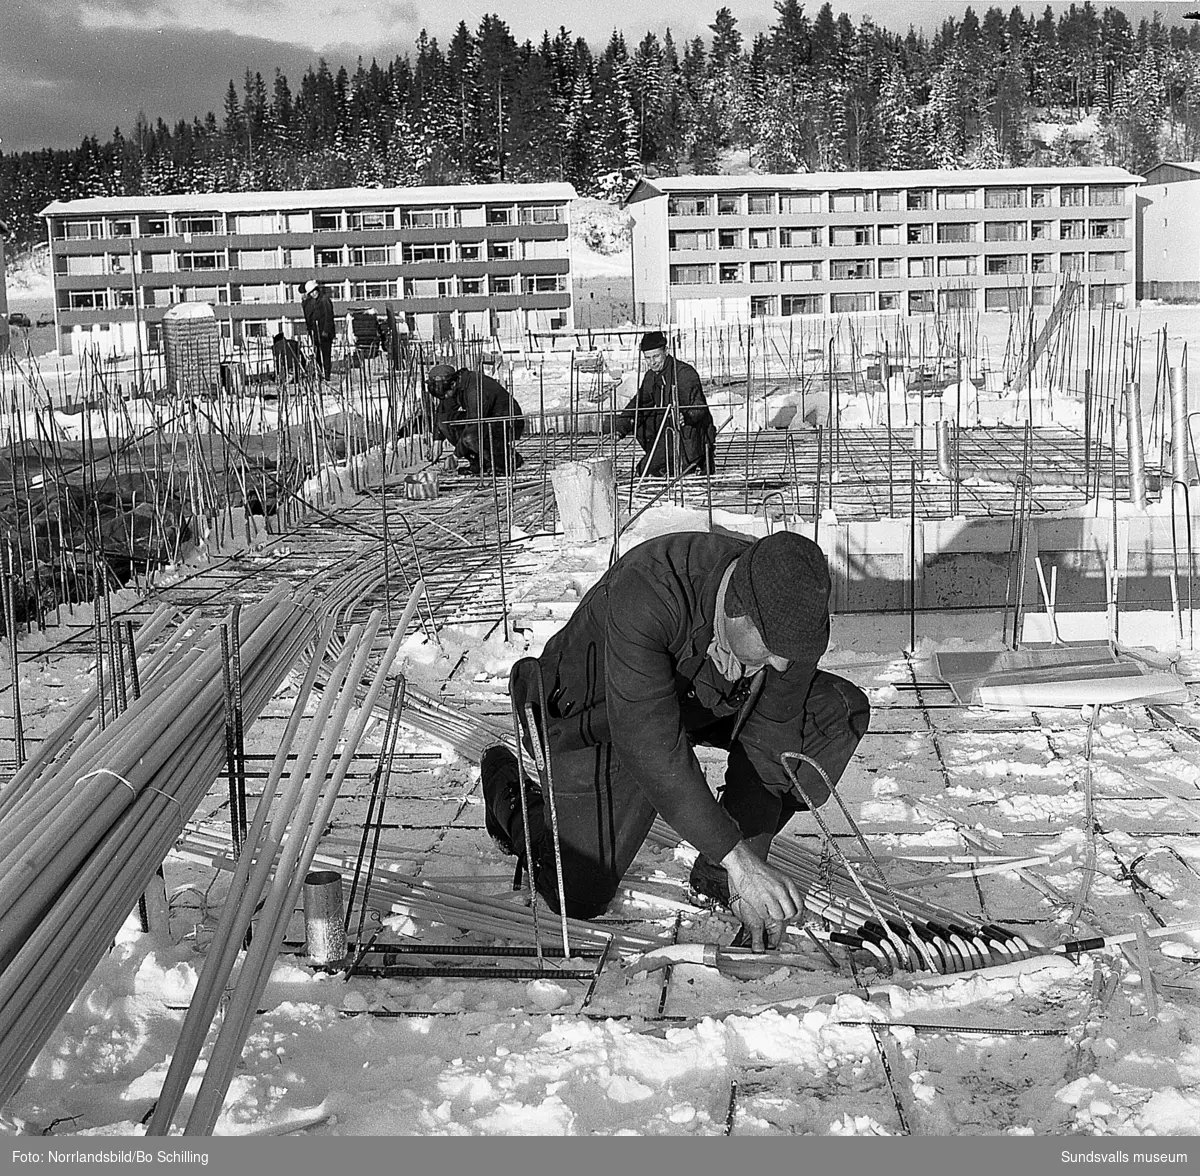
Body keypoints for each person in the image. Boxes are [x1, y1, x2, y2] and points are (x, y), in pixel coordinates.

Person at [481, 530, 871, 950]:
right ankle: (511, 789)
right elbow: (651, 746)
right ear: (737, 609)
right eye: (773, 648)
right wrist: (737, 857)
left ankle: (716, 875)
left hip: (696, 702)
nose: (781, 663)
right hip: (598, 714)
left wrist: (742, 865)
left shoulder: (789, 620)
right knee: (577, 891)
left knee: (833, 712)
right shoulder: (649, 589)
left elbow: (771, 740)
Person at [613, 330, 715, 477]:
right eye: (647, 358)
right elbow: (639, 404)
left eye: (656, 356)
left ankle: (694, 460)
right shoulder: (651, 376)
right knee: (638, 420)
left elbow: (699, 407)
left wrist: (685, 416)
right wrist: (620, 428)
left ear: (666, 351)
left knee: (645, 470)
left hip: (688, 433)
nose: (652, 362)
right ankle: (663, 459)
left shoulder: (684, 373)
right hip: (667, 431)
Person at [426, 363, 525, 476]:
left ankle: (506, 461)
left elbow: (473, 425)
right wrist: (437, 441)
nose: (446, 398)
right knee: (445, 423)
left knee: (471, 437)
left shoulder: (475, 389)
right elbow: (442, 413)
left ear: (452, 384)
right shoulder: (456, 386)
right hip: (485, 421)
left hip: (507, 422)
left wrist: (455, 456)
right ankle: (479, 463)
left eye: (445, 394)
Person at [301, 279, 335, 380]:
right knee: (317, 355)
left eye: (314, 291)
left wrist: (325, 331)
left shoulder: (324, 300)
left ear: (317, 290)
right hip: (315, 332)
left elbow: (329, 316)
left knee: (326, 354)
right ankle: (320, 373)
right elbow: (309, 316)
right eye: (311, 293)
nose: (313, 294)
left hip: (325, 333)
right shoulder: (312, 302)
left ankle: (327, 375)